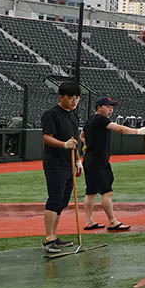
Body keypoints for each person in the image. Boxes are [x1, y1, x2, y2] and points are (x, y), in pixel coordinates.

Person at [82, 96, 145, 232]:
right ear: (99, 107)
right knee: (107, 192)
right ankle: (112, 221)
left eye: (112, 107)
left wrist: (88, 145)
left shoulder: (90, 120)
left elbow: (82, 135)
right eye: (108, 107)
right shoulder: (101, 119)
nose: (110, 110)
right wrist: (138, 132)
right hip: (99, 161)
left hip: (90, 159)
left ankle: (89, 221)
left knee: (91, 192)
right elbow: (120, 129)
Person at [40, 82, 83, 254]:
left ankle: (55, 236)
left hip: (69, 164)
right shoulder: (51, 114)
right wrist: (64, 145)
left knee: (63, 201)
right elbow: (46, 138)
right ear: (61, 97)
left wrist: (78, 160)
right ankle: (49, 239)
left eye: (77, 98)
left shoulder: (73, 116)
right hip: (55, 164)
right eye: (70, 98)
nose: (74, 101)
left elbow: (74, 141)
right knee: (55, 199)